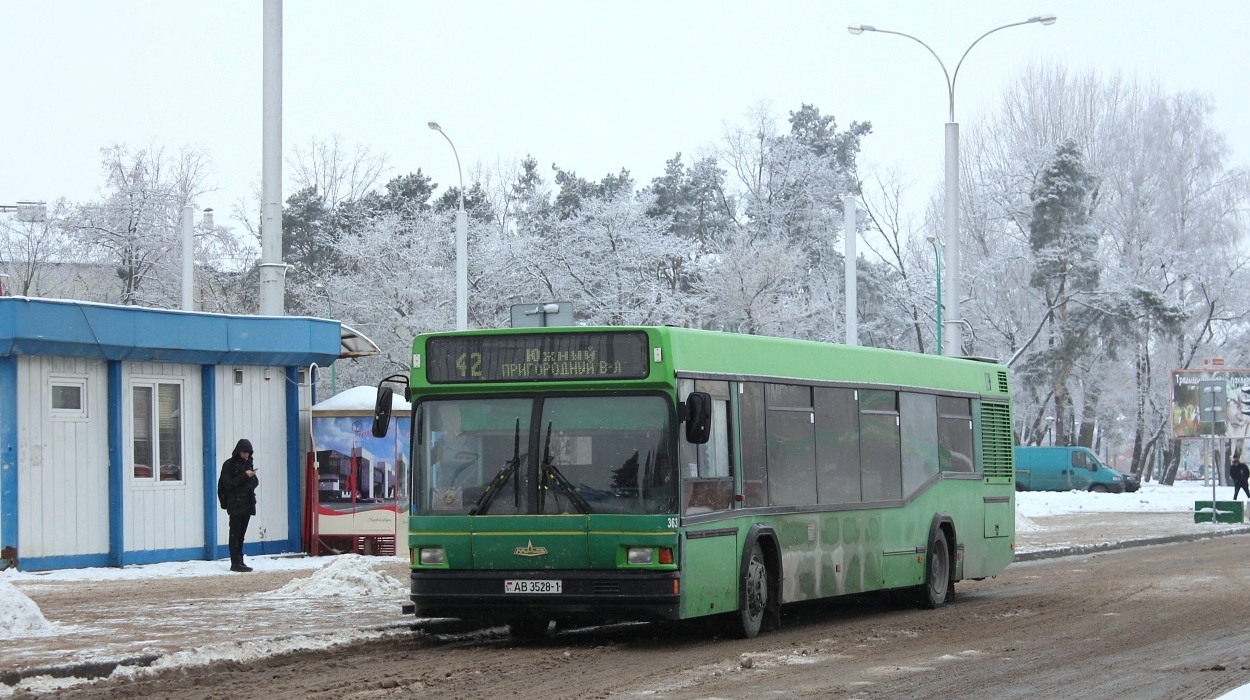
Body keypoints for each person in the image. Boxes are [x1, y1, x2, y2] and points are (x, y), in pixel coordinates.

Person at [218, 438, 259, 572]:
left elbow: (254, 483)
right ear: (238, 452)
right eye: (244, 453)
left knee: (241, 534)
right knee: (235, 534)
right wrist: (245, 476)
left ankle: (240, 561)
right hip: (235, 504)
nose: (246, 455)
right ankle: (235, 562)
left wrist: (250, 476)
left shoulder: (248, 464)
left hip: (247, 504)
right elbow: (228, 484)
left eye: (248, 453)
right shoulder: (229, 465)